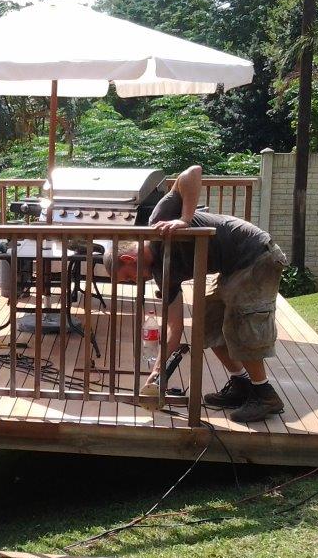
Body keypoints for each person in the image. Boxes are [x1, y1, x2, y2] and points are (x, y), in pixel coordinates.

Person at [103, 165, 288, 423]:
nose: (135, 282)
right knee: (207, 325)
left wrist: (185, 220)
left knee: (242, 322)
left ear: (128, 259)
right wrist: (158, 370)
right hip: (232, 269)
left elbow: (193, 172)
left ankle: (264, 394)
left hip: (255, 254)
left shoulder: (159, 223)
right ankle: (242, 384)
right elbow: (174, 326)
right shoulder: (162, 275)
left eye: (129, 277)